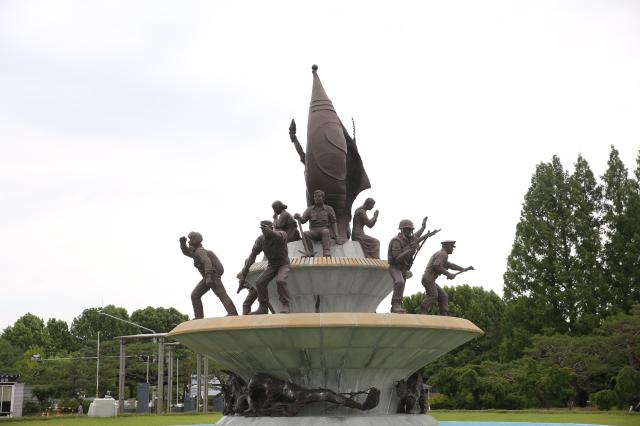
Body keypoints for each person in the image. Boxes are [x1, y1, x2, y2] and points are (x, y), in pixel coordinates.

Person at [179, 232, 238, 318]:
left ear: (194, 241)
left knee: (222, 294)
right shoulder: (195, 252)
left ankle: (233, 314)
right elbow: (186, 252)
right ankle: (199, 317)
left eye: (190, 241)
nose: (188, 242)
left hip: (212, 276)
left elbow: (207, 262)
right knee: (195, 295)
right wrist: (182, 244)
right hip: (207, 277)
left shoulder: (200, 252)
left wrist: (209, 277)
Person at [238, 220, 291, 315]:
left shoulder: (282, 234)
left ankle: (285, 304)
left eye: (265, 230)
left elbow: (278, 236)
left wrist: (270, 231)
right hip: (272, 265)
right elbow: (252, 256)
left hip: (283, 264)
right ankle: (263, 307)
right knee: (259, 282)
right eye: (262, 230)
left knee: (281, 281)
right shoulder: (260, 240)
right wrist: (243, 275)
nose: (264, 232)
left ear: (271, 228)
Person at [387, 217, 433, 314]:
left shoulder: (410, 239)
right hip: (395, 267)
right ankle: (395, 305)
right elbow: (396, 258)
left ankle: (398, 305)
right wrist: (409, 251)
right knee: (399, 281)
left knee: (402, 285)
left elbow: (418, 236)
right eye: (408, 229)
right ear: (402, 229)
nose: (410, 231)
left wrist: (423, 228)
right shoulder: (397, 241)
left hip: (403, 268)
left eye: (411, 230)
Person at [418, 240, 474, 316]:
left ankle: (444, 315)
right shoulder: (443, 254)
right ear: (446, 247)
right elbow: (436, 266)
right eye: (452, 247)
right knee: (433, 296)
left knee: (443, 296)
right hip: (429, 279)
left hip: (430, 279)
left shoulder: (441, 254)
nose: (453, 249)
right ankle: (422, 312)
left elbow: (450, 265)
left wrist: (462, 269)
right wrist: (448, 274)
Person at [294, 189, 345, 257]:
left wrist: (336, 235)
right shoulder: (309, 209)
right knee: (305, 234)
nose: (317, 198)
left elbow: (333, 222)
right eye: (315, 197)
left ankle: (326, 251)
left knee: (326, 231)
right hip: (313, 231)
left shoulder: (329, 209)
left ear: (323, 198)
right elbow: (303, 220)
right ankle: (310, 252)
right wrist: (299, 217)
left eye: (319, 196)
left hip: (324, 230)